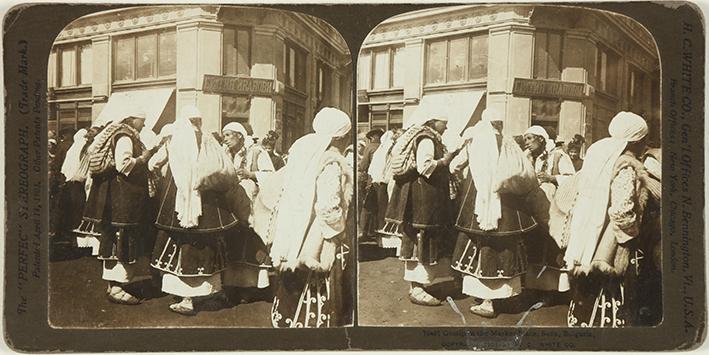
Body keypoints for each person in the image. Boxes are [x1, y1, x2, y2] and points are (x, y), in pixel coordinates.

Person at [148, 106, 242, 315]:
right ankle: (211, 291)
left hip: (180, 199)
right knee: (207, 243)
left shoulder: (176, 138)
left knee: (184, 243)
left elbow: (156, 163)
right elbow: (224, 169)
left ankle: (187, 297)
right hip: (207, 199)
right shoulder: (208, 138)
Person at [265, 107, 354, 328]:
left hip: (298, 228)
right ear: (340, 137)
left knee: (295, 276)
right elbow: (328, 206)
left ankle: (287, 317)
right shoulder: (332, 162)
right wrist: (338, 231)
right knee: (319, 278)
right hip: (318, 236)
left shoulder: (305, 153)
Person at [563, 111, 654, 327]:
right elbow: (622, 212)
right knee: (612, 292)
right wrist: (634, 232)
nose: (645, 145)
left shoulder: (601, 156)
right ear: (637, 141)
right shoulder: (627, 166)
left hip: (591, 235)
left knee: (589, 287)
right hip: (612, 244)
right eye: (644, 140)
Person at [449, 108, 538, 317]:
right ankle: (503, 296)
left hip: (478, 202)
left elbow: (455, 165)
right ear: (499, 124)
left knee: (483, 245)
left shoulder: (474, 140)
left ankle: (487, 301)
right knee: (504, 245)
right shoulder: (509, 142)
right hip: (507, 204)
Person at [83, 110, 158, 305]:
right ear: (132, 119)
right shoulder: (125, 136)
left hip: (118, 197)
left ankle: (114, 285)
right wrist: (144, 157)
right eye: (143, 120)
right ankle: (117, 288)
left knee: (117, 238)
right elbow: (123, 165)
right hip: (122, 197)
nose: (144, 124)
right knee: (121, 238)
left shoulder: (119, 133)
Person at [385, 113, 456, 306]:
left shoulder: (428, 136)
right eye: (445, 122)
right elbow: (424, 167)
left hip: (424, 196)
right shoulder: (426, 139)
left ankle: (420, 285)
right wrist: (446, 160)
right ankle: (416, 288)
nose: (447, 127)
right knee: (420, 237)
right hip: (422, 197)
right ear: (433, 120)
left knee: (423, 237)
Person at [220, 122, 272, 305]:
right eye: (224, 135)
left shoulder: (257, 152)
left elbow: (272, 176)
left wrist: (251, 174)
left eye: (228, 135)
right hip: (231, 207)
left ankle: (250, 287)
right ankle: (231, 286)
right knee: (232, 243)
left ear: (240, 136)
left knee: (251, 244)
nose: (225, 139)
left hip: (252, 208)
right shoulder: (224, 153)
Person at [522, 125, 575, 299]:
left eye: (530, 139)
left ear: (541, 139)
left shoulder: (558, 156)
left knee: (551, 246)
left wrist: (552, 178)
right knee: (534, 244)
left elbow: (572, 179)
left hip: (554, 209)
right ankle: (533, 286)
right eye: (525, 140)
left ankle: (551, 290)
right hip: (533, 209)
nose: (527, 143)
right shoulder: (527, 157)